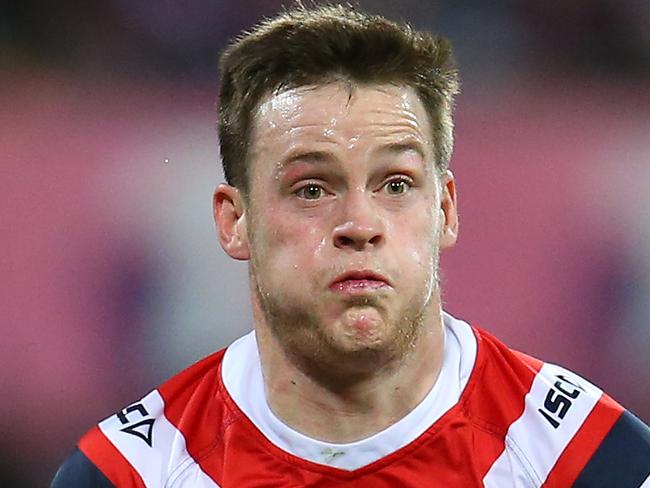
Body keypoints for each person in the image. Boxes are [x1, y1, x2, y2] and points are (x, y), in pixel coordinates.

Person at [51, 4, 650, 487]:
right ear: (235, 222)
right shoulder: (130, 474)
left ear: (443, 210)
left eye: (395, 184)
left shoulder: (588, 463)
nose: (359, 223)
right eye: (312, 188)